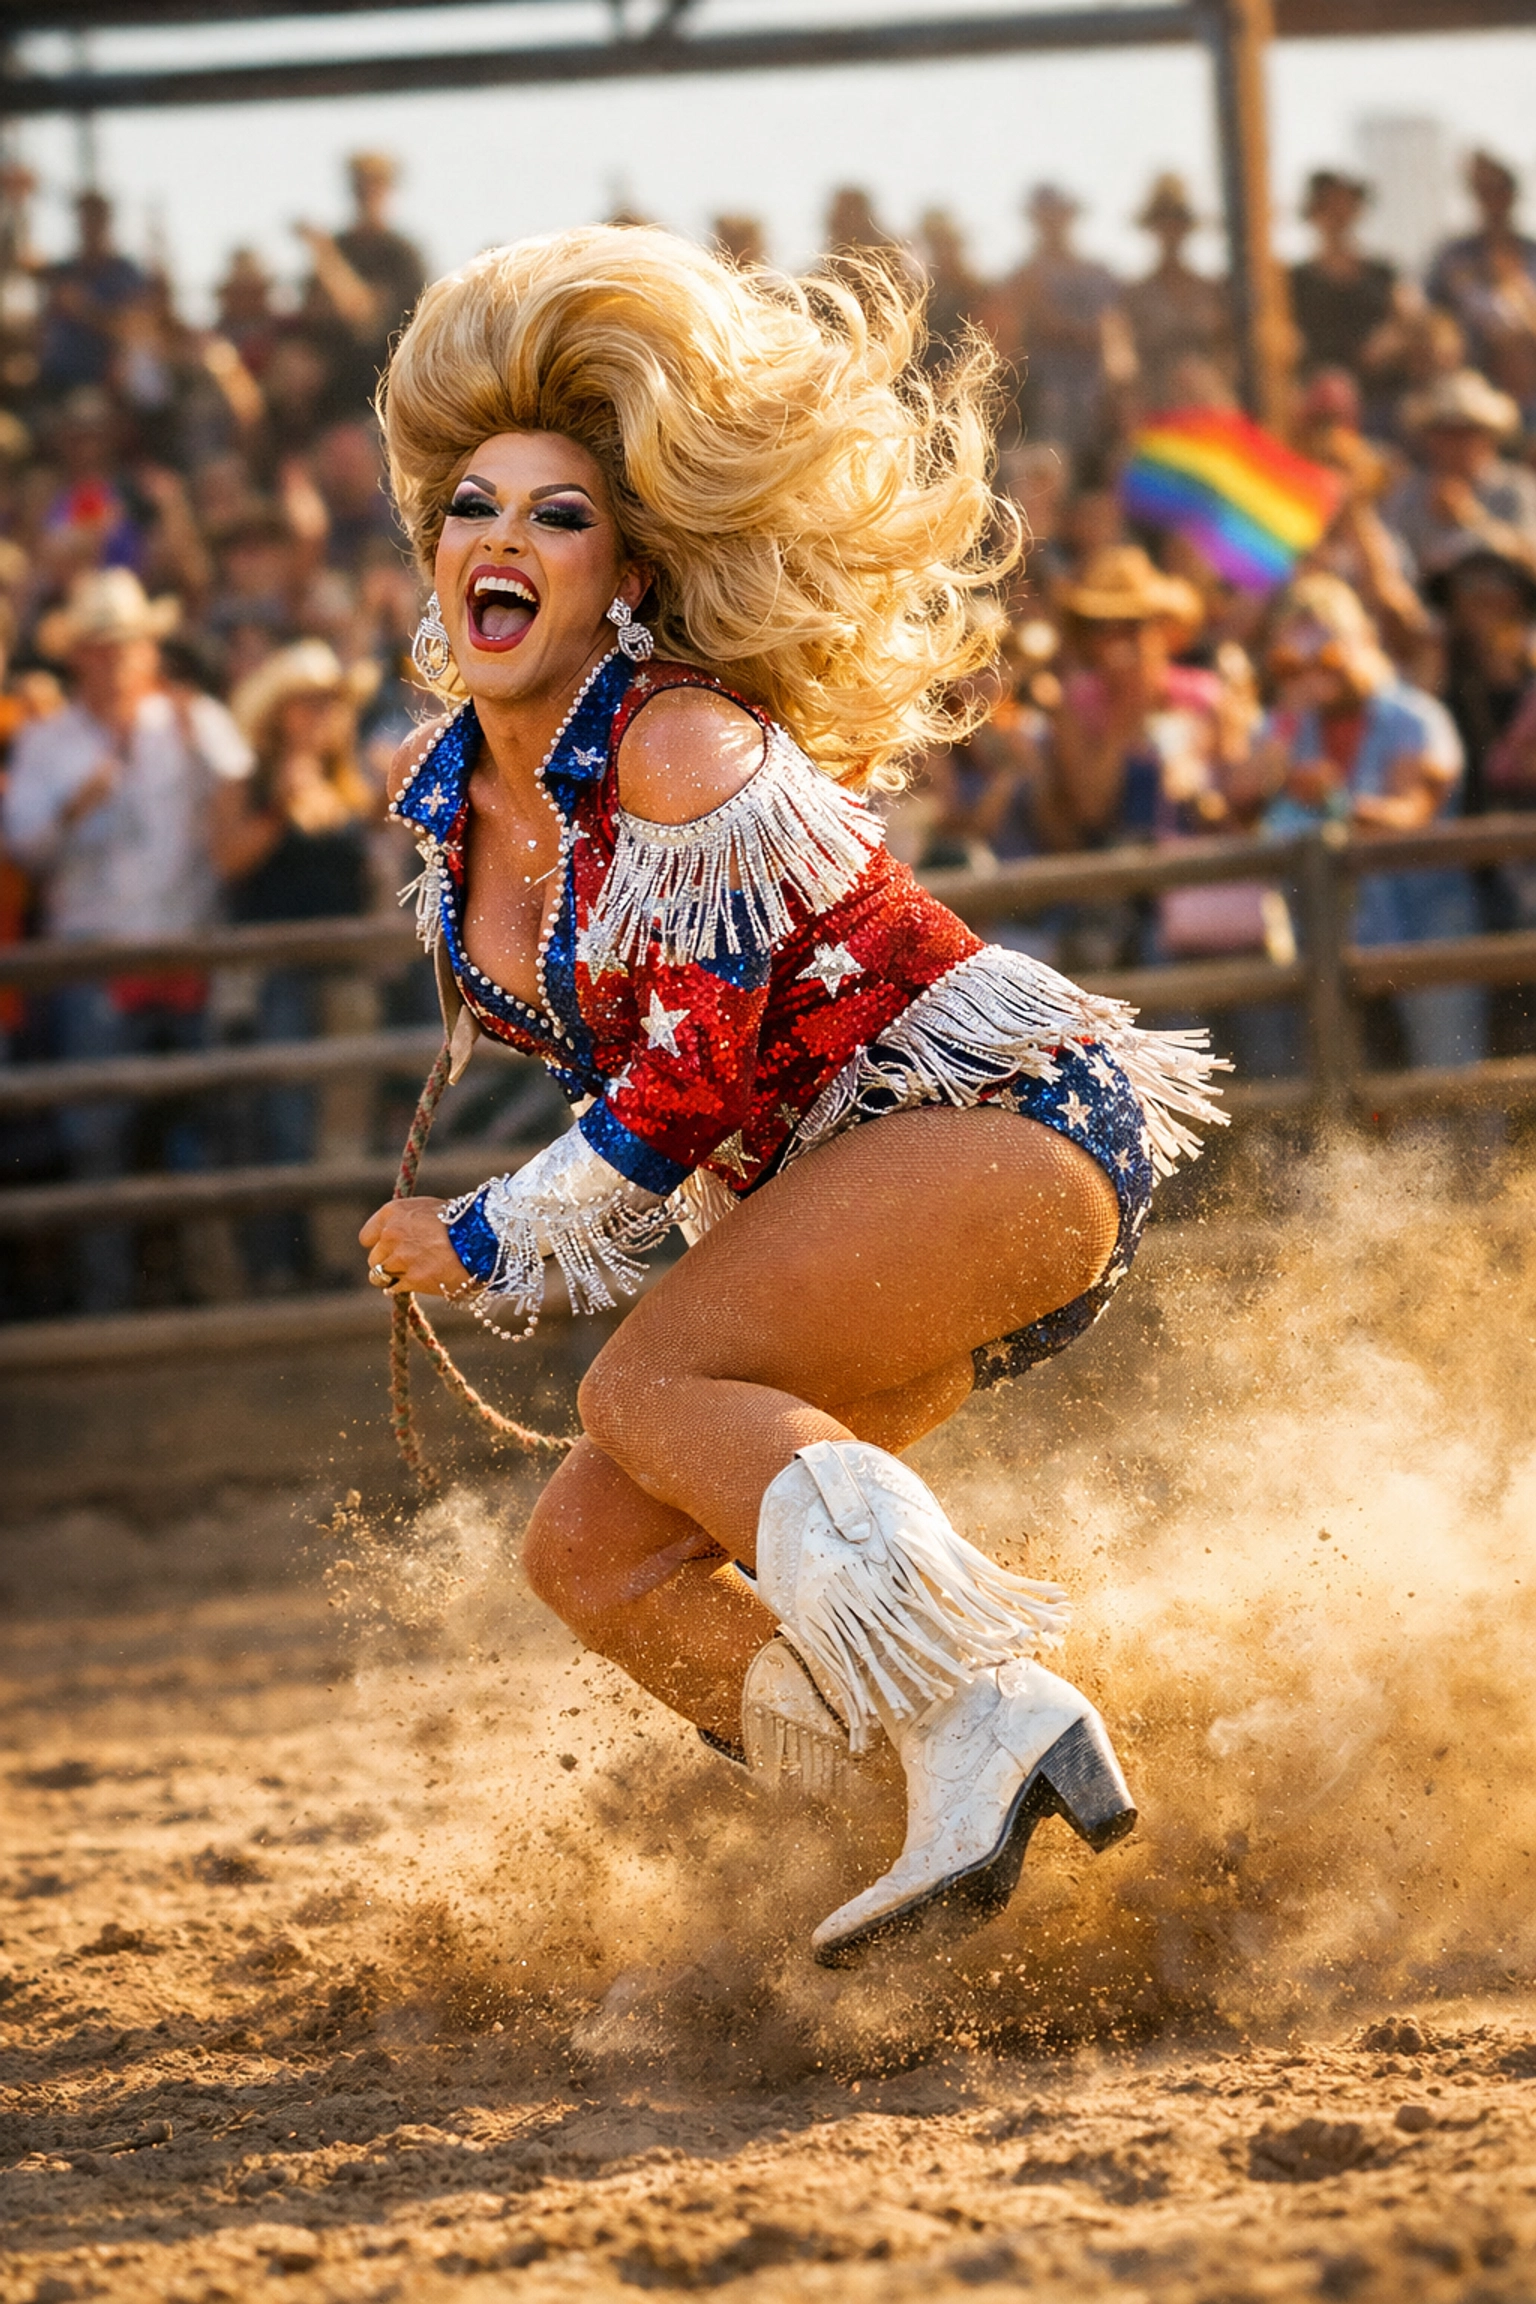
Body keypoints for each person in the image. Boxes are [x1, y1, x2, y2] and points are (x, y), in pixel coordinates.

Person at [357, 227, 1225, 1967]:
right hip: (834, 1189)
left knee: (652, 1374)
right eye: (471, 506)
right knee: (592, 1552)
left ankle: (985, 1707)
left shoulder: (683, 742)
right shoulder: (454, 810)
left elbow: (680, 1080)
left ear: (628, 572)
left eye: (555, 512)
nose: (499, 539)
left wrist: (479, 1228)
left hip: (1006, 1127)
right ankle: (900, 1835)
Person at [2, 570, 253, 1310]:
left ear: (147, 652)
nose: (115, 661)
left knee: (200, 1135)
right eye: (101, 648)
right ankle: (110, 1302)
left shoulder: (187, 718)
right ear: (79, 656)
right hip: (97, 967)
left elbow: (241, 781)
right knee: (98, 1142)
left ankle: (210, 1296)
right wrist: (75, 809)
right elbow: (23, 849)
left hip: (182, 956)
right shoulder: (49, 743)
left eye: (127, 647)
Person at [1253, 571, 1484, 1072]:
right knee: (1333, 1079)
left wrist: (1333, 798)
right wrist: (1284, 729)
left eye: (1327, 653)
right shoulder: (1284, 730)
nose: (1313, 670)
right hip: (1326, 934)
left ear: (1362, 641)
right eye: (1293, 660)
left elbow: (1413, 812)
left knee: (1449, 1072)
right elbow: (1234, 803)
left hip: (1423, 921)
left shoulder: (1415, 719)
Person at [215, 639, 380, 1289]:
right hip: (274, 975)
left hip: (342, 973)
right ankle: (282, 1264)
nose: (322, 715)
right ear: (279, 712)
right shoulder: (246, 785)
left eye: (329, 704)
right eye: (309, 703)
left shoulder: (349, 784)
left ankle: (334, 1258)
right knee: (282, 1121)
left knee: (343, 1121)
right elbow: (228, 860)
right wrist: (281, 807)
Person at [985, 186, 1123, 458]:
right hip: (1042, 390)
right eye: (1045, 216)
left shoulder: (1097, 272)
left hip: (1096, 387)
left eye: (1056, 215)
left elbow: (1111, 331)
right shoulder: (1023, 274)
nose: (1051, 223)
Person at [1382, 368, 1536, 581]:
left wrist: (1472, 519)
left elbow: (1531, 560)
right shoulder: (1408, 493)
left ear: (1488, 437)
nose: (1454, 444)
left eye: (1466, 433)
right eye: (1445, 432)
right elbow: (1391, 566)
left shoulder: (1517, 488)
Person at [1427, 152, 1536, 415]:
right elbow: (1433, 314)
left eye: (1498, 189)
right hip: (1472, 383)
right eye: (1483, 191)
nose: (1492, 199)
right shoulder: (1453, 256)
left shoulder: (1530, 253)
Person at [1122, 173, 1232, 415]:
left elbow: (1227, 355)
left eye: (1177, 219)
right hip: (1156, 409)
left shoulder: (1212, 290)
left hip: (1210, 407)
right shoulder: (1134, 295)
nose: (1171, 228)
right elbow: (1124, 363)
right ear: (1153, 228)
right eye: (1163, 220)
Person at [1288, 170, 1397, 384]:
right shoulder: (1296, 279)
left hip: (1380, 384)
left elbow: (1408, 318)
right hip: (1320, 388)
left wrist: (1392, 339)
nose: (1340, 214)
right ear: (1313, 212)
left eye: (1347, 204)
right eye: (1329, 205)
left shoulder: (1382, 273)